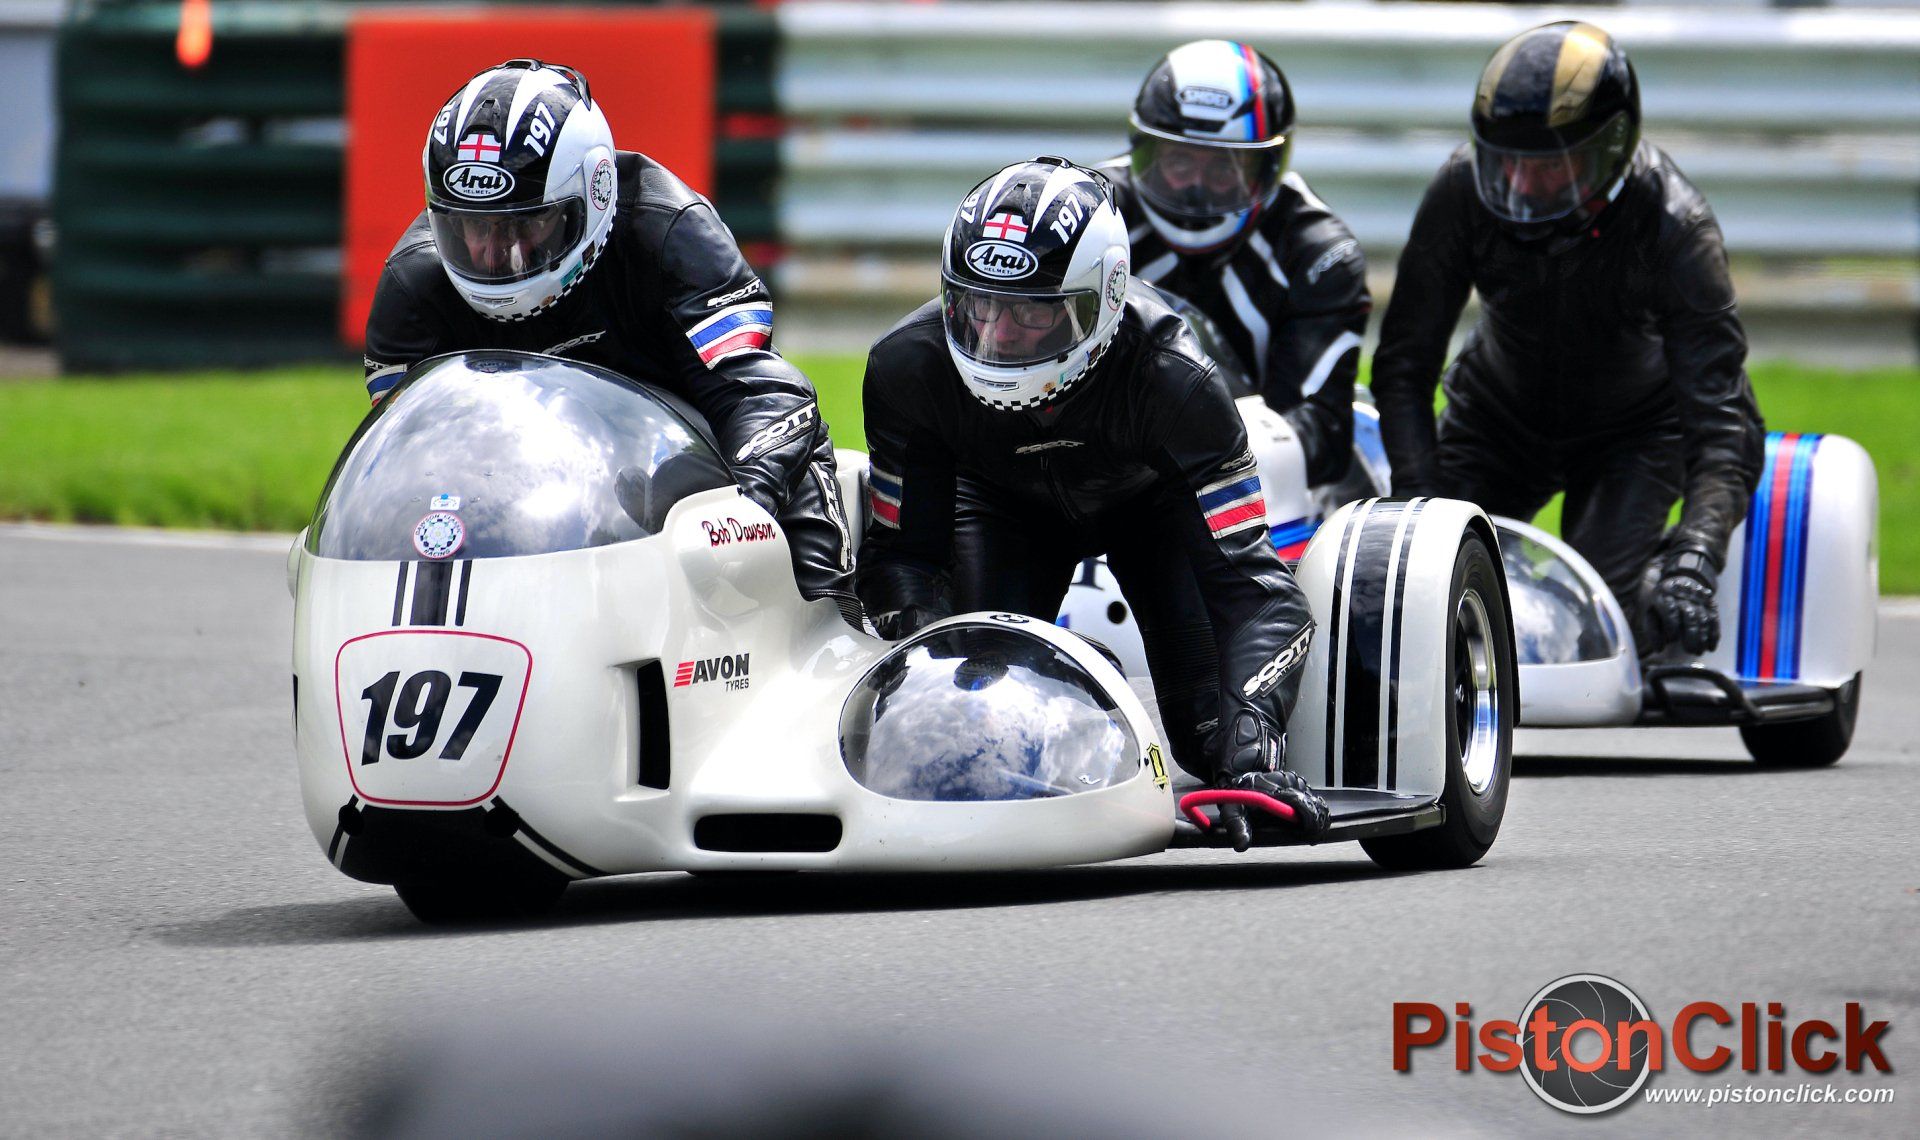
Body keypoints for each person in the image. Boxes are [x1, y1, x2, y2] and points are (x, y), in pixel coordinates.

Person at [854, 157, 1329, 848]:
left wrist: (1256, 749)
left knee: (1212, 747)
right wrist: (935, 672)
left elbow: (1258, 592)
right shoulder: (907, 368)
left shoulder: (1178, 380)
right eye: (979, 305)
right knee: (969, 722)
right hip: (1000, 506)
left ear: (1100, 300)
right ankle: (1078, 673)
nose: (997, 335)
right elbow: (901, 560)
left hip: (1152, 509)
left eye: (1031, 311)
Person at [363, 59, 859, 624]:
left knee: (792, 480)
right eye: (473, 227)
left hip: (678, 477)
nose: (493, 256)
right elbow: (411, 463)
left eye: (524, 226)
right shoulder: (413, 285)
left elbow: (762, 394)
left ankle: (830, 616)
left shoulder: (669, 233)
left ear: (593, 196)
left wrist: (744, 510)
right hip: (518, 491)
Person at [1370, 22, 1764, 656]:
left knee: (1603, 629)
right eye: (1508, 164)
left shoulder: (1676, 225)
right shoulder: (1458, 192)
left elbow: (1723, 424)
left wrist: (1695, 558)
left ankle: (1656, 581)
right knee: (1420, 602)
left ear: (1608, 151)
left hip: (1635, 433)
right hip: (1495, 417)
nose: (1523, 188)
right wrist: (1422, 504)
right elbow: (1402, 368)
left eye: (1551, 166)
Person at [1097, 40, 1370, 488]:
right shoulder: (1095, 214)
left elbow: (1321, 431)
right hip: (1101, 459)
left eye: (1224, 167)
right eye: (1180, 162)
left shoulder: (1317, 252)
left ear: (1265, 167)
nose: (1197, 189)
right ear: (1145, 152)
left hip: (1254, 478)